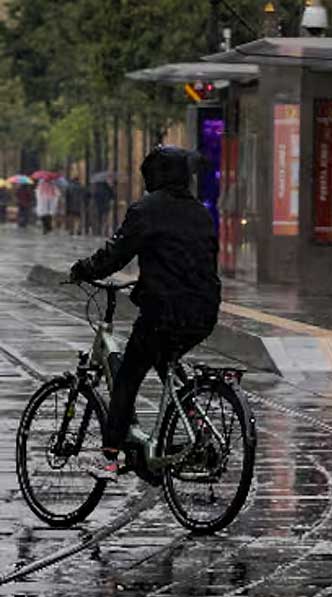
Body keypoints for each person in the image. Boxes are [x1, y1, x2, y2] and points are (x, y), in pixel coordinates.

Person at [69, 146, 222, 480]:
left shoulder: (146, 210)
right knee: (165, 360)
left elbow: (114, 255)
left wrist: (83, 269)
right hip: (205, 311)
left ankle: (109, 459)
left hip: (164, 312)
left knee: (126, 377)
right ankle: (191, 426)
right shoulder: (201, 212)